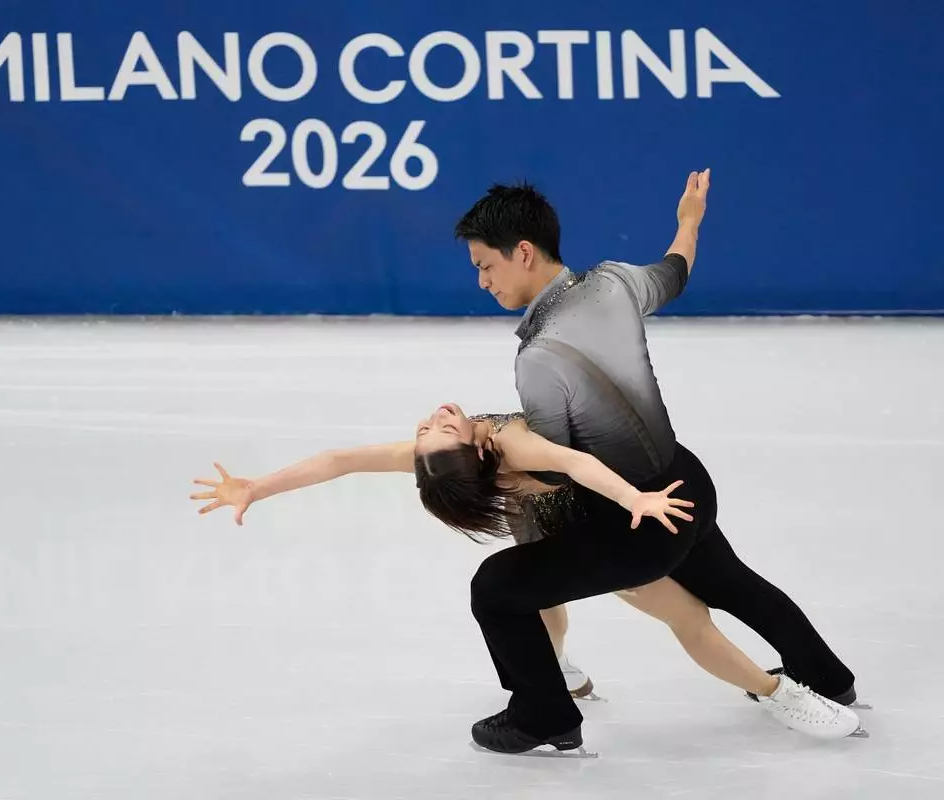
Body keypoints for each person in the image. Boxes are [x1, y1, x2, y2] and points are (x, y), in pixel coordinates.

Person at [435, 171, 862, 754]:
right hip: (686, 483)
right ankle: (830, 679)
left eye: (486, 265)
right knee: (729, 581)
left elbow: (561, 468)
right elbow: (674, 275)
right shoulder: (613, 281)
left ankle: (541, 715)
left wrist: (487, 461)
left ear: (524, 253)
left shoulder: (539, 359)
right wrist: (689, 221)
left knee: (497, 587)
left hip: (631, 524)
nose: (482, 280)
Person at [189, 406, 865, 743]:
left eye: (430, 427)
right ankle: (781, 690)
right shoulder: (482, 451)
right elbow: (341, 461)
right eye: (435, 431)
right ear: (465, 456)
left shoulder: (493, 441)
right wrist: (259, 488)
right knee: (653, 610)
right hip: (604, 527)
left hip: (636, 506)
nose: (434, 420)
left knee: (697, 608)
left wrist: (636, 500)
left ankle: (784, 692)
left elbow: (579, 468)